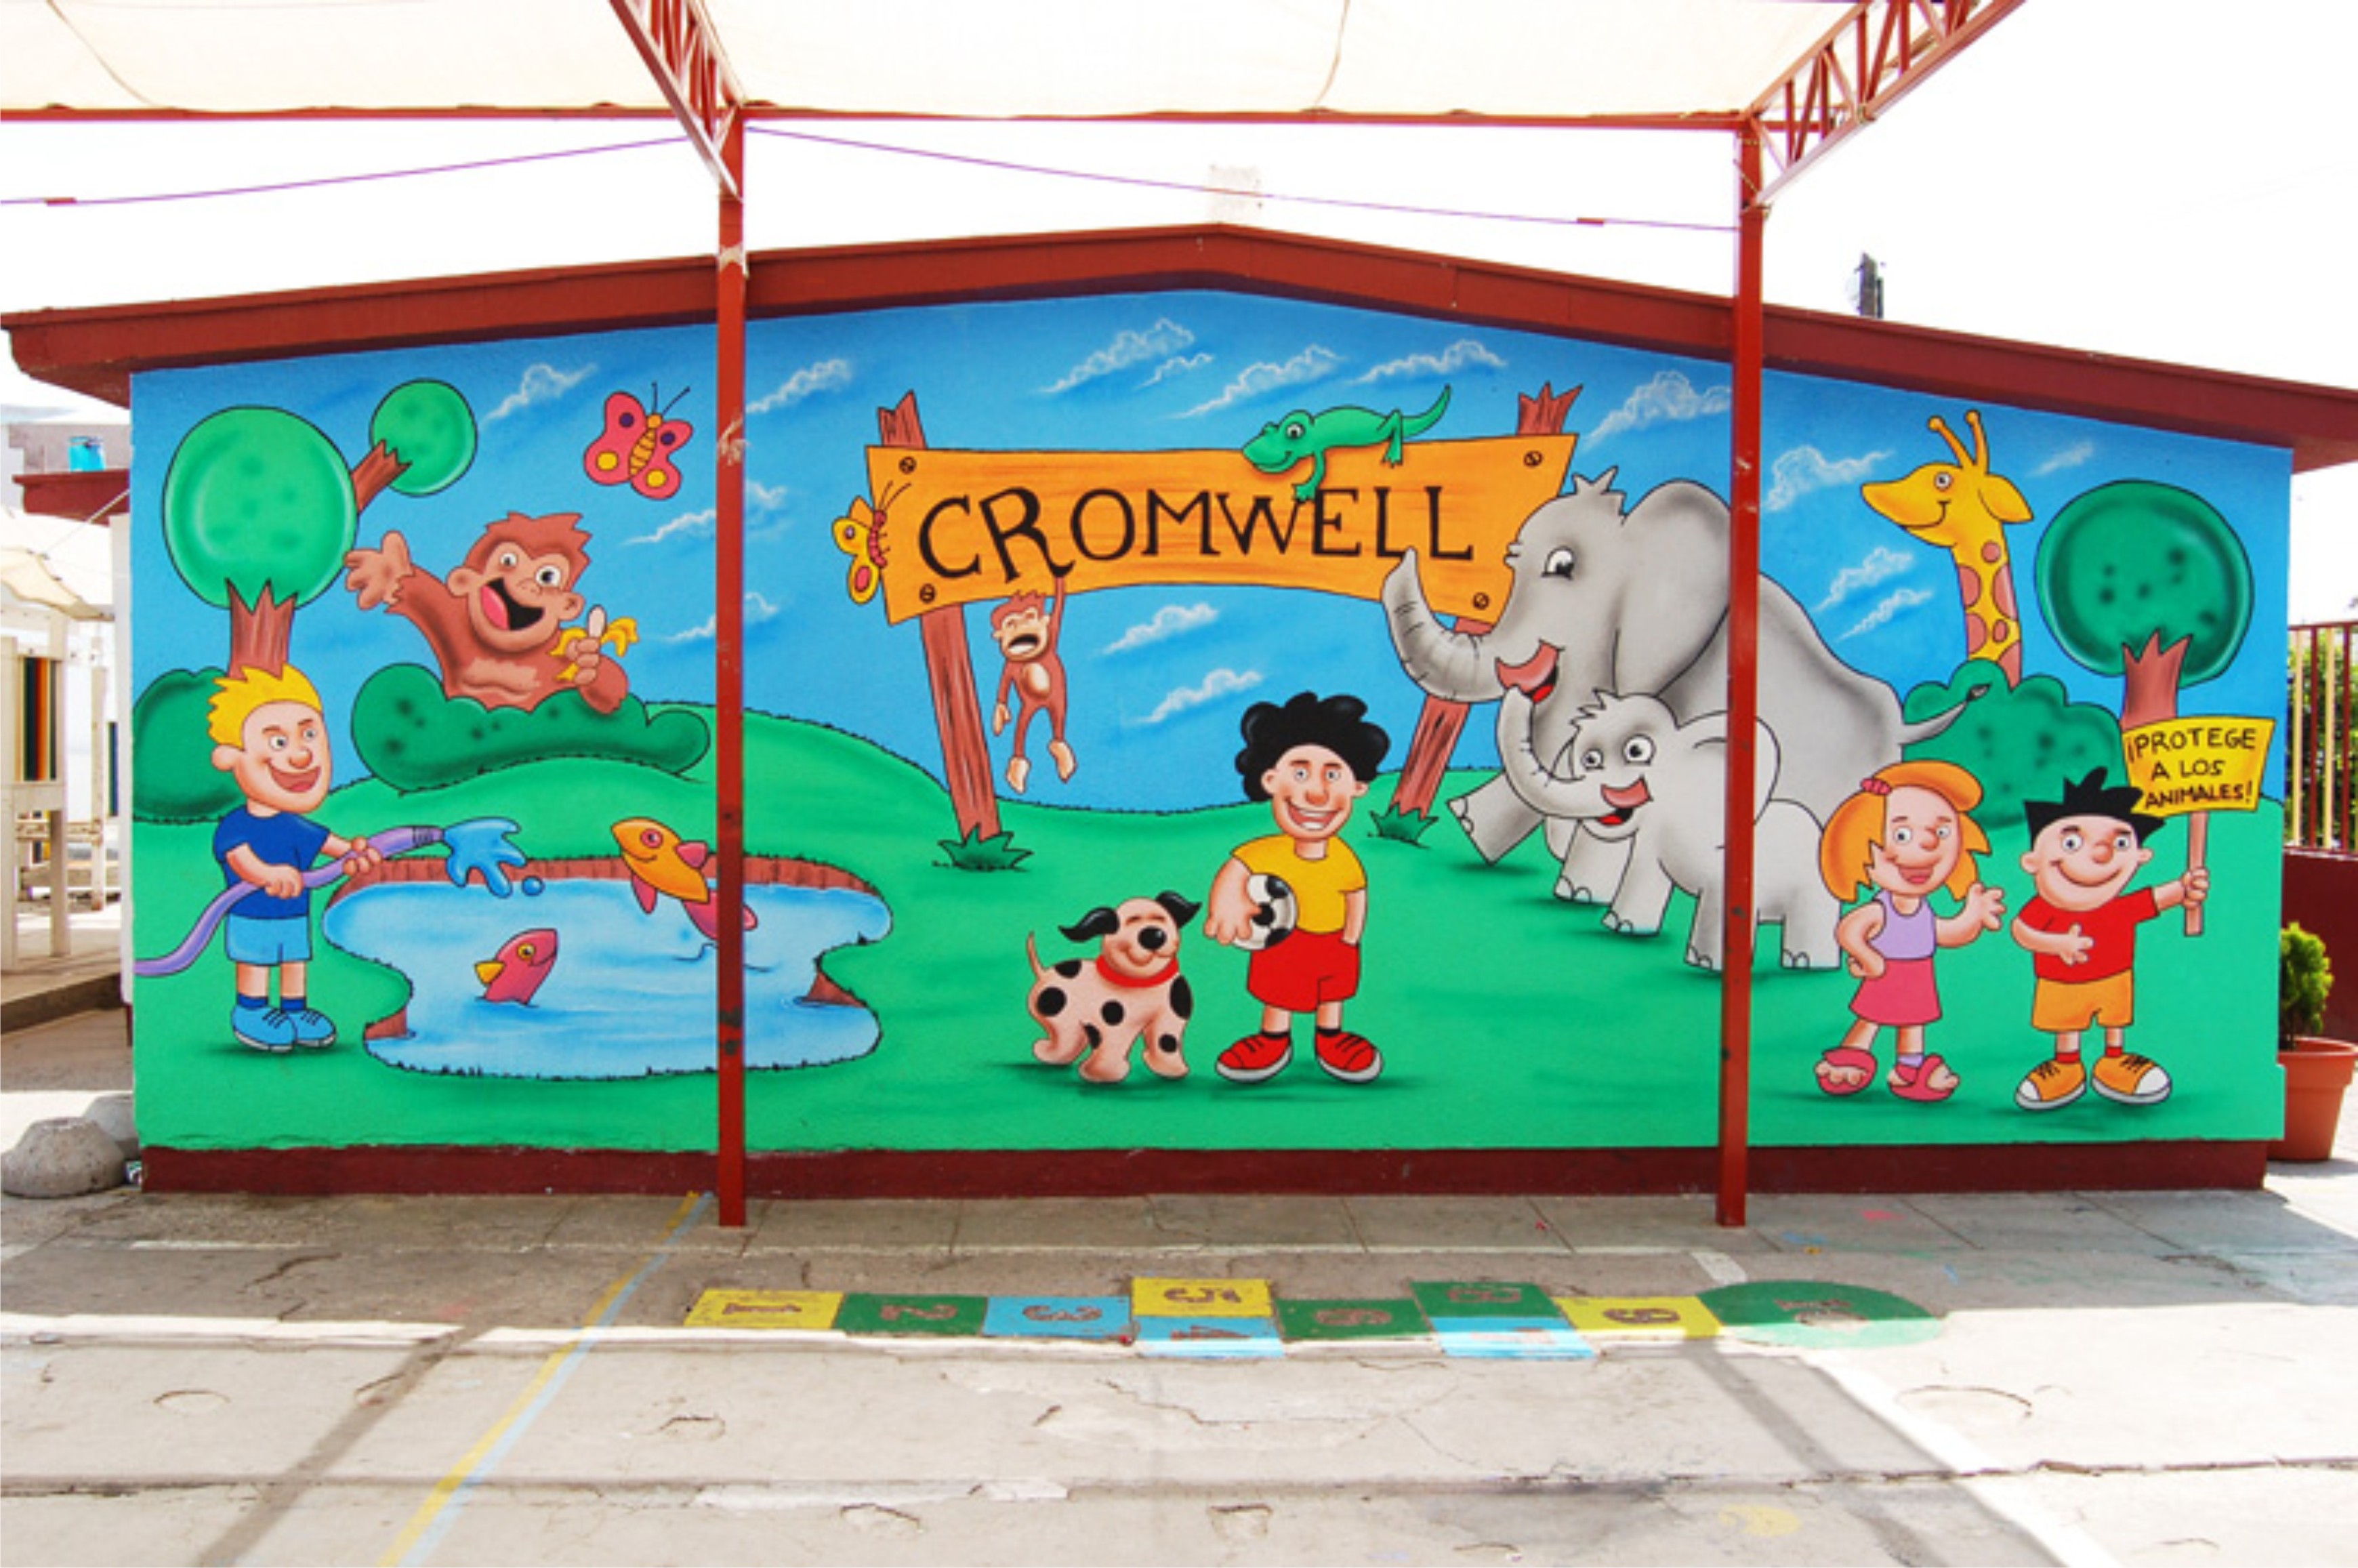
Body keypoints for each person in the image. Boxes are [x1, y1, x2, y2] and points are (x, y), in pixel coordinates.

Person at [1203, 691, 1390, 1084]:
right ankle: (1273, 1038)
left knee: (1333, 994)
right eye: (1300, 774)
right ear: (1271, 780)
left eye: (1333, 775)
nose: (1317, 794)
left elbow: (1356, 894)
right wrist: (1226, 905)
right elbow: (1235, 871)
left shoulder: (1344, 857)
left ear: (1357, 787)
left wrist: (1352, 937)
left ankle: (1331, 1037)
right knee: (1279, 993)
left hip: (1335, 943)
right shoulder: (1266, 852)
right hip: (1283, 941)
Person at [2010, 768, 2206, 1110]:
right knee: (2067, 1025)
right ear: (2032, 861)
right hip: (2061, 982)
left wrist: (2186, 887)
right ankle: (2066, 1065)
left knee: (2114, 1022)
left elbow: (2160, 897)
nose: (2101, 855)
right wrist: (2058, 944)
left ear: (2141, 857)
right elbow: (2021, 931)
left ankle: (2114, 1060)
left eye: (2120, 843)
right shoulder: (2044, 908)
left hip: (2114, 977)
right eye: (2072, 843)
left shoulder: (2119, 908)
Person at [207, 665, 381, 1052]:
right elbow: (239, 859)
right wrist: (267, 874)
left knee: (294, 962)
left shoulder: (295, 825)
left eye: (309, 735)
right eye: (278, 743)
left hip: (292, 913)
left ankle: (295, 1011)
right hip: (252, 914)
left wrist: (355, 851)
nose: (301, 755)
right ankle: (251, 1010)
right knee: (256, 962)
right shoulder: (237, 824)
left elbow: (329, 844)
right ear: (230, 757)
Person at [1813, 761, 2006, 1102]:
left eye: (1942, 833)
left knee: (1913, 1024)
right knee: (1870, 1018)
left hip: (1918, 976)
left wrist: (1974, 915)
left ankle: (1909, 1070)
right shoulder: (1882, 909)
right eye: (1902, 835)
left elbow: (1946, 933)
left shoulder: (1923, 910)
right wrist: (1869, 959)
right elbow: (1849, 931)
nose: (1929, 844)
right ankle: (1853, 1056)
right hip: (1887, 974)